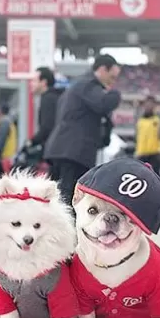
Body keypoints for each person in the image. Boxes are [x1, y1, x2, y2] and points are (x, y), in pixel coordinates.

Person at [44, 54, 121, 206]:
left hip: (63, 149)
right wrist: (115, 94)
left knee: (56, 195)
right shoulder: (88, 85)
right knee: (70, 195)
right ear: (102, 70)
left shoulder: (77, 85)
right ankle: (65, 229)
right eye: (112, 77)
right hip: (74, 151)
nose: (113, 82)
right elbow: (103, 103)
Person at [26, 66, 63, 153]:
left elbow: (47, 127)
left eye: (34, 81)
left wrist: (31, 142)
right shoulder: (56, 97)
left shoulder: (48, 99)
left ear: (43, 82)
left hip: (55, 150)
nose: (31, 84)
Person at [134, 96, 160, 175]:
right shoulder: (140, 120)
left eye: (151, 104)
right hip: (141, 154)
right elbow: (137, 136)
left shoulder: (158, 119)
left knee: (154, 177)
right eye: (147, 104)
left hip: (154, 154)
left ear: (154, 106)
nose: (148, 106)